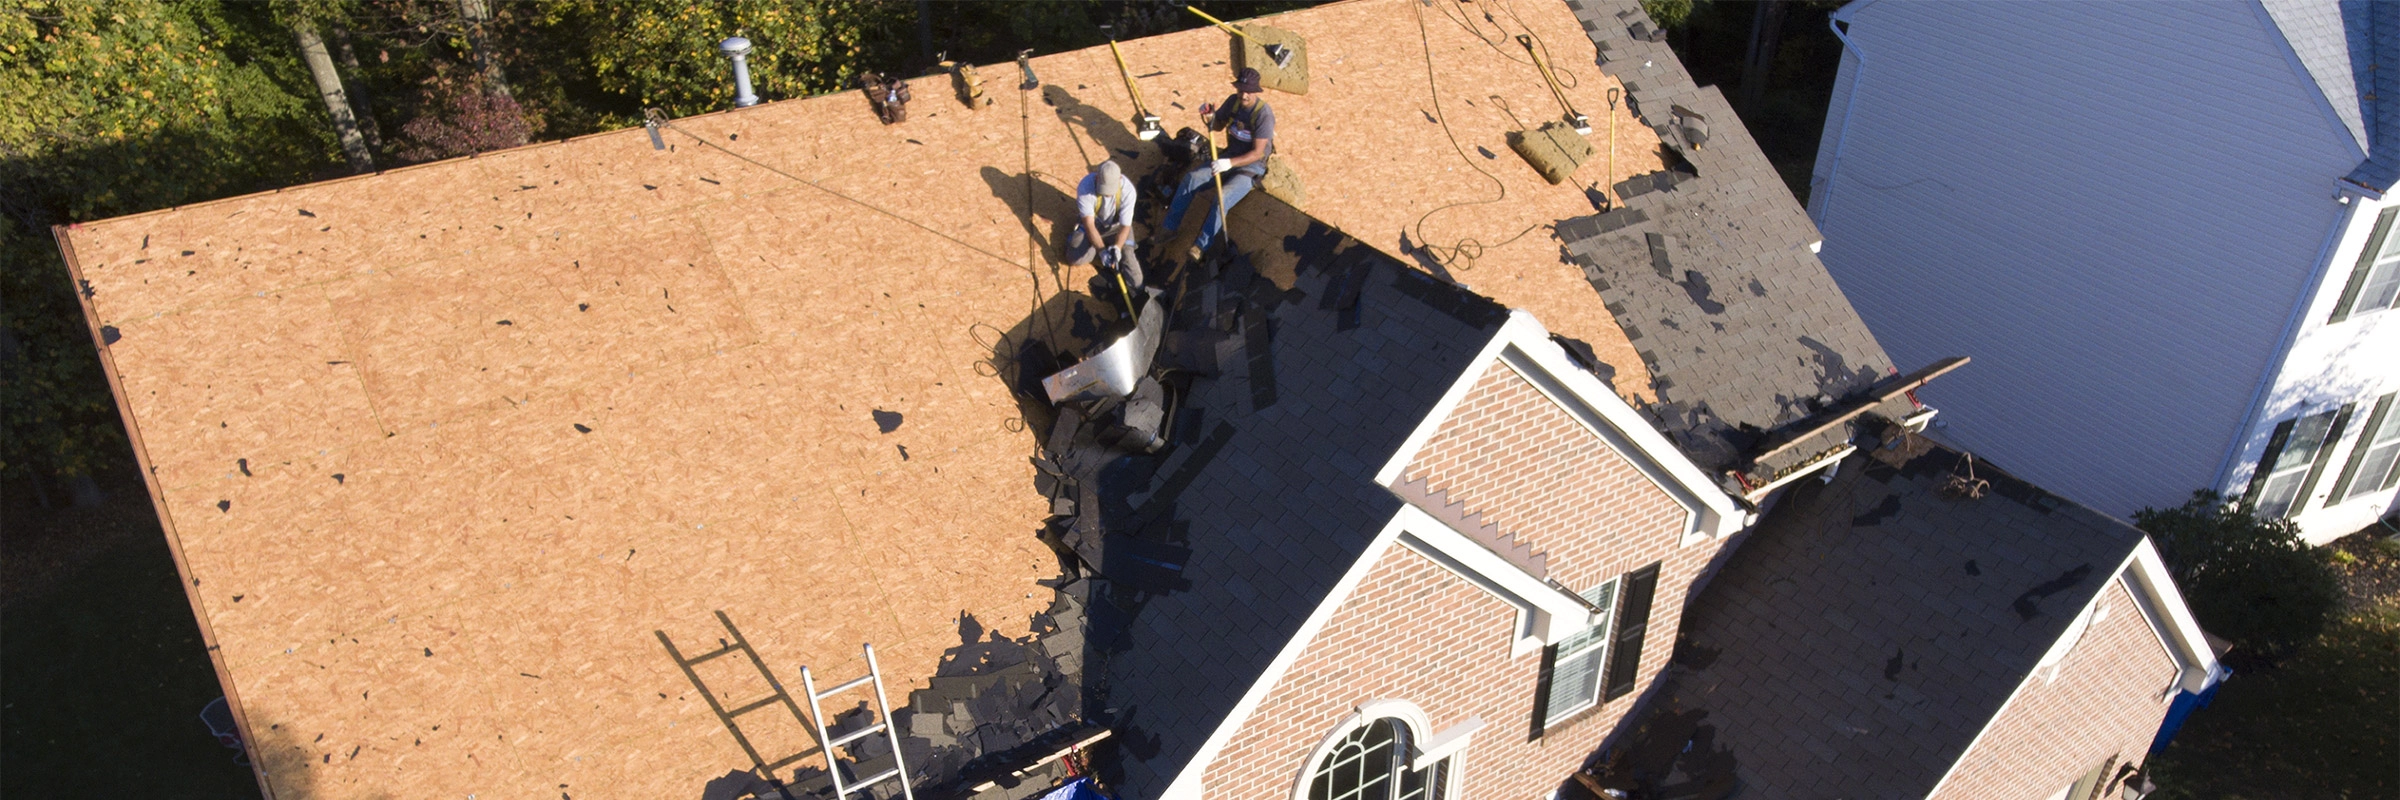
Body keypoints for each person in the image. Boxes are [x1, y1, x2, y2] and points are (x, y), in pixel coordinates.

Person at [1159, 67, 1276, 258]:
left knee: (1223, 198)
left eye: (1248, 91)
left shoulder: (1263, 115)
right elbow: (1218, 126)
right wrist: (1210, 118)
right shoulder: (1233, 102)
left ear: (1256, 91)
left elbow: (1257, 153)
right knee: (1191, 179)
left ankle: (1201, 246)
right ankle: (1169, 228)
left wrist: (1229, 164)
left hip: (1250, 167)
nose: (1244, 95)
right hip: (1229, 156)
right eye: (1241, 90)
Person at [1068, 160, 1141, 285]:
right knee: (1074, 258)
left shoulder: (1128, 191)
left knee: (1129, 258)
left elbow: (1125, 226)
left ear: (1120, 179)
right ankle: (1097, 250)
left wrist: (1117, 247)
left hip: (1116, 227)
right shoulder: (1085, 187)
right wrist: (1102, 251)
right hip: (1094, 224)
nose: (1107, 194)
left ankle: (1138, 289)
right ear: (1097, 178)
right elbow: (1089, 225)